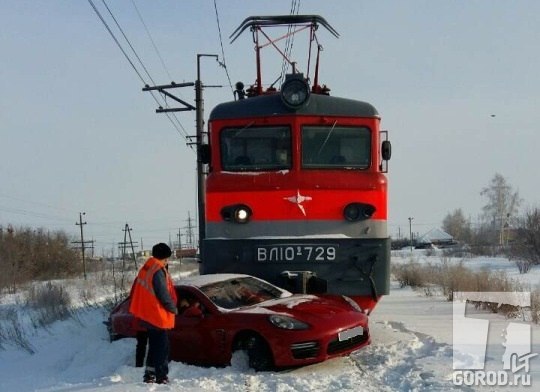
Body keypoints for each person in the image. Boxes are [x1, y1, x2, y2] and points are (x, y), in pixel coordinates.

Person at [129, 243, 178, 384]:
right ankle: (162, 376)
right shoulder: (158, 269)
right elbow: (163, 294)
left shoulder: (147, 267)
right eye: (167, 259)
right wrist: (172, 308)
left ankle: (149, 374)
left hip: (148, 314)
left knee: (154, 346)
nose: (167, 261)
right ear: (164, 257)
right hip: (157, 315)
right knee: (162, 348)